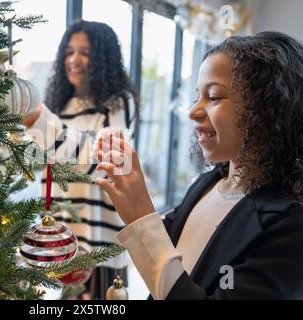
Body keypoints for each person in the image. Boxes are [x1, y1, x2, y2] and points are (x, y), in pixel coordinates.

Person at [94, 32, 303, 299]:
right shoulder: (210, 182)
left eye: (214, 98)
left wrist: (141, 218)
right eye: (197, 96)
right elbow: (173, 243)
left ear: (268, 109)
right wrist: (128, 202)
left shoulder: (290, 227)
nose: (193, 111)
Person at [22, 20, 139, 299]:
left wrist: (41, 122)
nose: (74, 60)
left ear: (102, 59)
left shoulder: (117, 103)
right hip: (61, 240)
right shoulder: (61, 104)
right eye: (69, 52)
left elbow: (104, 167)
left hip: (100, 244)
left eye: (85, 53)